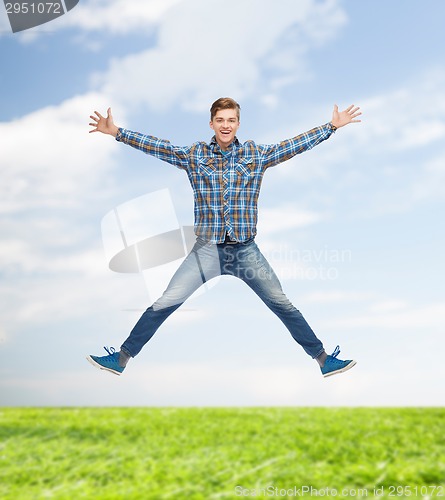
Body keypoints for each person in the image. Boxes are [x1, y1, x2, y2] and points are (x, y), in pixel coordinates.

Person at [87, 97, 361, 378]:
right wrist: (118, 133)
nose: (226, 125)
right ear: (212, 124)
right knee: (165, 302)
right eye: (220, 120)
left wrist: (331, 127)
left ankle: (324, 360)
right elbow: (159, 147)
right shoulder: (195, 155)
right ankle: (120, 359)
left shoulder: (256, 154)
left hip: (245, 251)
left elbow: (292, 145)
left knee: (282, 304)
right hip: (206, 251)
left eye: (231, 120)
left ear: (238, 124)